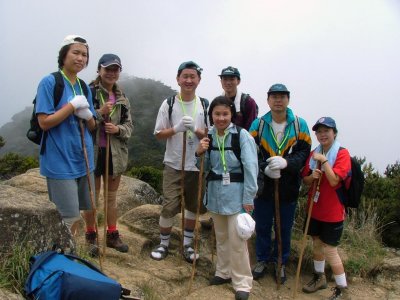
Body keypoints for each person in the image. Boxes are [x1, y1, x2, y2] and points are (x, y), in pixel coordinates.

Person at [196, 96, 258, 300]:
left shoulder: (242, 136)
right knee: (221, 237)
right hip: (215, 194)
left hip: (237, 195)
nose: (221, 118)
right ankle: (223, 272)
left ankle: (242, 283)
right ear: (211, 115)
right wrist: (199, 151)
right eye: (217, 114)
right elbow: (202, 168)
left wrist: (249, 198)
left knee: (237, 240)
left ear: (232, 115)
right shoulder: (208, 136)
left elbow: (251, 168)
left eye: (225, 114)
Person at [249, 83, 311, 283]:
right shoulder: (258, 125)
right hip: (264, 186)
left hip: (289, 186)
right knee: (263, 225)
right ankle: (262, 259)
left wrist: (286, 163)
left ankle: (281, 262)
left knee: (284, 227)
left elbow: (303, 153)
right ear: (268, 100)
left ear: (288, 99)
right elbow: (251, 153)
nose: (278, 100)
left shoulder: (299, 125)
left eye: (282, 96)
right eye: (274, 96)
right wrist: (263, 168)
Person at [36, 35, 96, 236]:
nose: (80, 58)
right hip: (59, 159)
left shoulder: (83, 86)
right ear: (64, 55)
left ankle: (71, 255)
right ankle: (63, 258)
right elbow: (44, 122)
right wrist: (71, 107)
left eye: (84, 55)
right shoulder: (50, 82)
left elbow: (93, 125)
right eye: (76, 52)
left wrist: (87, 115)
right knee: (68, 216)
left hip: (83, 159)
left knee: (79, 212)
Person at [150, 61, 208, 263]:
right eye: (185, 76)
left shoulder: (205, 105)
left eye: (193, 77)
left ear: (199, 80)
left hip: (196, 164)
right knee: (169, 206)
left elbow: (211, 135)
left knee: (192, 207)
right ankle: (163, 243)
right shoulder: (169, 103)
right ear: (178, 79)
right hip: (173, 163)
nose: (189, 80)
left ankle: (187, 245)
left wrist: (195, 130)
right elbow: (158, 134)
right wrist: (175, 129)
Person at [83, 54, 133, 255]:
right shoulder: (88, 92)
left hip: (115, 153)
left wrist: (118, 130)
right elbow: (79, 118)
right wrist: (98, 111)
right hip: (94, 151)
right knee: (92, 198)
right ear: (99, 70)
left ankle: (112, 235)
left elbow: (129, 126)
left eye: (115, 69)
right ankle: (91, 236)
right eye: (108, 69)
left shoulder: (122, 97)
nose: (111, 73)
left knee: (111, 198)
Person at [301, 117, 351, 300]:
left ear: (334, 133)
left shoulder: (342, 154)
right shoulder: (315, 152)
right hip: (315, 208)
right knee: (316, 244)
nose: (322, 135)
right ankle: (319, 277)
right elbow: (305, 180)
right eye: (319, 131)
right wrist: (311, 177)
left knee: (330, 250)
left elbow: (334, 180)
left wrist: (323, 161)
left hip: (333, 211)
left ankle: (341, 289)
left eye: (326, 131)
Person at [219, 66, 258, 130]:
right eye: (225, 79)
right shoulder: (218, 103)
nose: (228, 83)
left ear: (238, 81)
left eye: (232, 79)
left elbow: (252, 130)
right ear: (221, 81)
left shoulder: (248, 102)